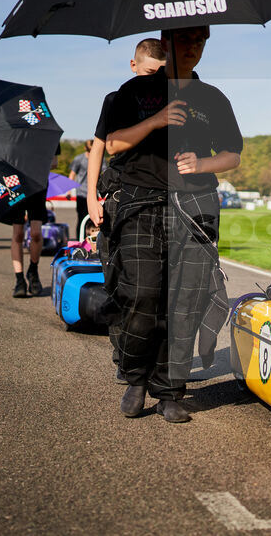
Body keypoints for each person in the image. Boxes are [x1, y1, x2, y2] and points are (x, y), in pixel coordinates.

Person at [105, 26, 242, 423]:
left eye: (200, 41)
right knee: (141, 294)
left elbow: (232, 154)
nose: (193, 48)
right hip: (139, 200)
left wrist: (202, 164)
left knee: (185, 301)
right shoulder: (133, 91)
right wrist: (156, 121)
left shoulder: (212, 98)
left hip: (195, 202)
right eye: (185, 40)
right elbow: (113, 143)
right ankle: (135, 377)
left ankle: (170, 391)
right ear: (166, 43)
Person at [86, 38, 166, 385]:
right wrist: (90, 196)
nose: (155, 78)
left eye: (162, 73)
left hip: (162, 195)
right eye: (150, 71)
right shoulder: (117, 98)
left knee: (156, 291)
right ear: (134, 66)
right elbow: (100, 147)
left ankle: (153, 363)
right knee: (124, 284)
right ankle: (124, 354)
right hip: (121, 192)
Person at [6, 145, 60, 298]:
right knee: (18, 234)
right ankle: (19, 280)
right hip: (14, 183)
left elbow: (54, 162)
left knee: (36, 233)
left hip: (38, 183)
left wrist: (35, 163)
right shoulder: (12, 133)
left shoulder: (45, 131)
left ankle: (33, 271)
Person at [68, 140, 93, 231]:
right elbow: (72, 174)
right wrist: (69, 191)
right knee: (81, 218)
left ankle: (90, 240)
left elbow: (104, 172)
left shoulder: (99, 159)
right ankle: (80, 240)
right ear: (85, 148)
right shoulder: (79, 159)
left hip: (93, 193)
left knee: (92, 218)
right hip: (81, 193)